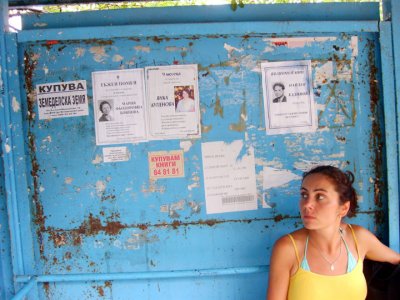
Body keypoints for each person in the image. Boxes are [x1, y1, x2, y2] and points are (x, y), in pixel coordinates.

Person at [267, 165, 400, 300]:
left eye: (319, 197)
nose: (307, 204)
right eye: (304, 195)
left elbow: (396, 260)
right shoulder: (288, 248)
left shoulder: (359, 239)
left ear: (343, 208)